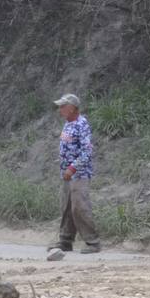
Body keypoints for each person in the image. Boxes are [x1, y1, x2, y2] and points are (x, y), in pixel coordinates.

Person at [49, 93, 100, 254]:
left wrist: (72, 168)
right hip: (67, 174)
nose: (60, 109)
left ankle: (93, 242)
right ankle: (65, 241)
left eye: (63, 106)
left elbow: (86, 153)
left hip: (79, 174)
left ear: (72, 108)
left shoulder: (81, 124)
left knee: (80, 207)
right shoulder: (68, 124)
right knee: (67, 207)